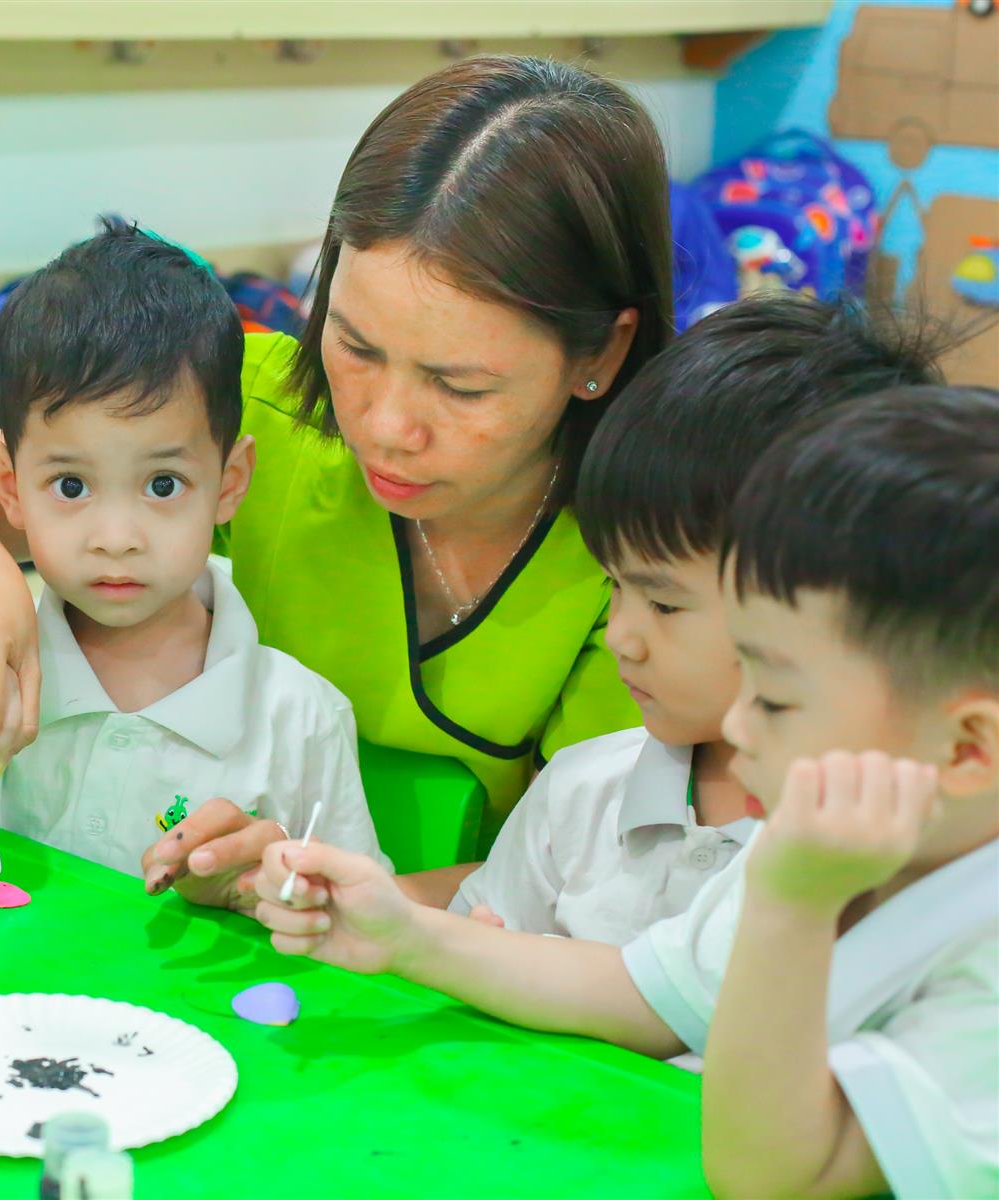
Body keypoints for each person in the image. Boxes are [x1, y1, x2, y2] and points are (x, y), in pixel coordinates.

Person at [0, 55, 674, 905]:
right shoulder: (257, 406)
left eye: (458, 385)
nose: (384, 426)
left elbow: (585, 874)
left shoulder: (648, 561)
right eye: (356, 345)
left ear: (602, 351)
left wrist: (307, 893)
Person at [253, 386, 999, 1199]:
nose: (738, 725)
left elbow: (778, 1175)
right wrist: (409, 937)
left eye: (778, 701)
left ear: (968, 747)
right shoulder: (836, 841)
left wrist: (792, 907)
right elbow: (650, 994)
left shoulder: (917, 930)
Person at [0, 222, 386, 891]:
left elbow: (357, 913)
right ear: (11, 488)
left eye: (163, 485)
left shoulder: (298, 714)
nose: (116, 536)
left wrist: (275, 888)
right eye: (71, 486)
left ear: (230, 484)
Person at [445, 295, 940, 942]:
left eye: (666, 604)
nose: (621, 637)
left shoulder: (892, 850)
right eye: (614, 584)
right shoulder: (581, 792)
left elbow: (671, 994)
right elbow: (471, 953)